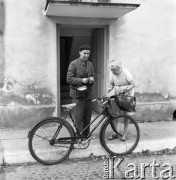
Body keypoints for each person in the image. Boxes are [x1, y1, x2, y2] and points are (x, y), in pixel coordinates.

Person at [67, 45, 95, 137]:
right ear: (80, 53)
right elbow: (69, 79)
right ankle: (80, 136)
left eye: (88, 53)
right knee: (78, 117)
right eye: (85, 53)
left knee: (87, 117)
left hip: (88, 94)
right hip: (77, 95)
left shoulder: (90, 64)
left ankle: (86, 135)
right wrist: (82, 80)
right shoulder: (73, 63)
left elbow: (92, 75)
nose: (86, 55)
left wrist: (91, 79)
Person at [107, 59, 135, 141]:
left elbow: (133, 84)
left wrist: (125, 90)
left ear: (119, 68)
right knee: (115, 113)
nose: (113, 72)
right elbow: (111, 84)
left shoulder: (126, 72)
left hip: (127, 94)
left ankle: (124, 134)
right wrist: (108, 90)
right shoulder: (111, 74)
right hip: (117, 92)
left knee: (126, 115)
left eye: (114, 70)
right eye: (111, 70)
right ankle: (115, 132)